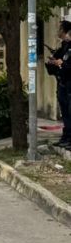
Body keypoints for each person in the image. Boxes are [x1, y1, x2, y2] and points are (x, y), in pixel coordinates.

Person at [46, 20, 71, 148]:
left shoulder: (69, 47)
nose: (57, 31)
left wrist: (61, 63)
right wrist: (54, 62)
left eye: (59, 28)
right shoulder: (64, 46)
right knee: (65, 112)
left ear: (64, 30)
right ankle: (66, 137)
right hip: (63, 82)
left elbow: (67, 64)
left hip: (69, 82)